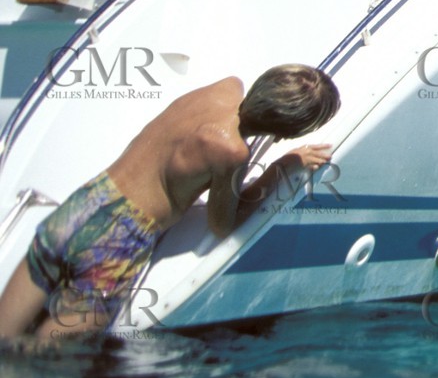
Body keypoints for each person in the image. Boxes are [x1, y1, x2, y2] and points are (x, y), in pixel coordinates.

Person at [0, 64, 340, 340]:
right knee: (45, 358)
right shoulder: (232, 151)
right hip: (120, 239)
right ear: (287, 132)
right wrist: (282, 166)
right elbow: (222, 224)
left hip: (85, 203)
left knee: (3, 335)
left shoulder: (226, 86)